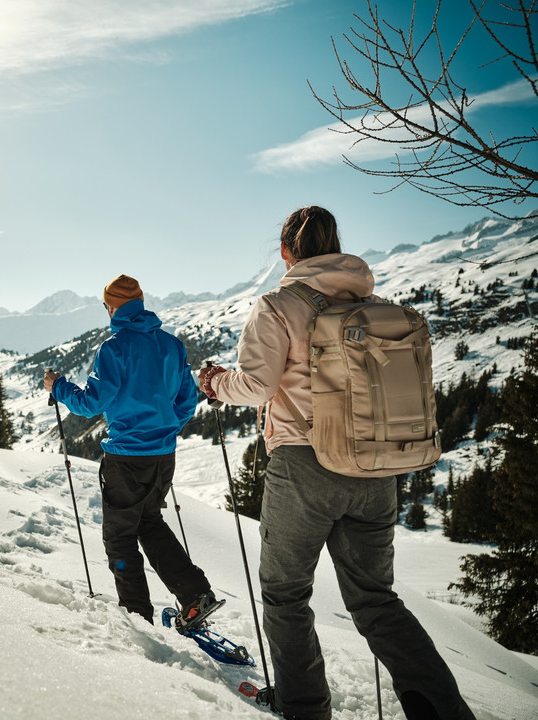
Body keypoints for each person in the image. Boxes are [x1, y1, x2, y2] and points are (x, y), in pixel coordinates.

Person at [198, 206, 475, 720]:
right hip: (374, 469)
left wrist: (214, 382)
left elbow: (258, 386)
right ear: (335, 247)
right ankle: (443, 712)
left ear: (286, 252)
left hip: (305, 466)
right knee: (375, 601)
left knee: (285, 595)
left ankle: (304, 709)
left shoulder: (279, 304)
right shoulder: (370, 303)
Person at [43, 274, 220, 628]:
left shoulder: (115, 347)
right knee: (150, 523)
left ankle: (137, 617)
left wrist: (58, 387)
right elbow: (186, 401)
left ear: (111, 307)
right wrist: (166, 429)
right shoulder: (171, 345)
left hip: (125, 458)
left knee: (121, 537)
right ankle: (194, 594)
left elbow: (92, 403)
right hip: (162, 455)